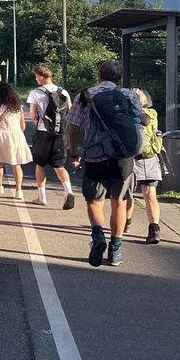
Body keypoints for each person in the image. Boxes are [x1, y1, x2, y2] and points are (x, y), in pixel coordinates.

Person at [67, 60, 151, 268]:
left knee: (94, 201)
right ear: (118, 78)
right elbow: (145, 120)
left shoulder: (86, 96)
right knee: (119, 201)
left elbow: (74, 127)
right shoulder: (129, 95)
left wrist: (74, 152)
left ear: (99, 75)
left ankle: (97, 236)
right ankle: (116, 250)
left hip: (94, 156)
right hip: (122, 156)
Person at [25, 63, 75, 210]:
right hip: (61, 135)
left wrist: (39, 124)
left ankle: (42, 197)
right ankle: (68, 191)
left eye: (36, 76)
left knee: (40, 165)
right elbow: (70, 112)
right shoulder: (63, 92)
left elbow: (33, 115)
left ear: (41, 77)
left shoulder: (36, 93)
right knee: (59, 166)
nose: (36, 79)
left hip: (43, 133)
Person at [125, 88, 164, 244]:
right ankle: (154, 229)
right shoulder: (152, 115)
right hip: (149, 157)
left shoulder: (128, 115)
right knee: (150, 195)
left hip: (131, 159)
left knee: (128, 194)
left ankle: (126, 223)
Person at [0, 82, 33, 197]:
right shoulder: (18, 107)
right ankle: (19, 190)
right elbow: (23, 126)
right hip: (16, 135)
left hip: (0, 135)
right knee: (16, 164)